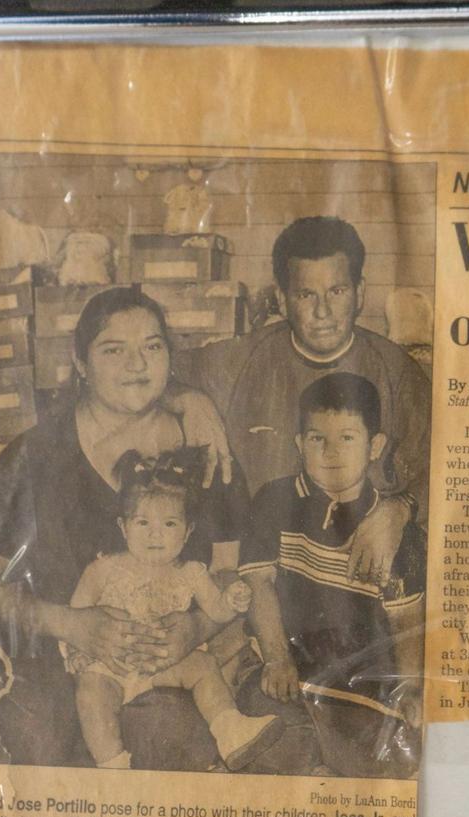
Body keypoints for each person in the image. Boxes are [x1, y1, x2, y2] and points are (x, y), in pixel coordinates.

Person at [0, 287, 247, 769]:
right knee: (38, 740)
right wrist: (71, 624)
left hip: (184, 668)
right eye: (113, 350)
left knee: (178, 737)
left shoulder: (208, 453)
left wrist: (197, 626)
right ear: (80, 363)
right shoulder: (32, 456)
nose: (137, 364)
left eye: (152, 346)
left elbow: (232, 573)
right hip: (61, 672)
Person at [172, 215, 431, 584]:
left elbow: (442, 471)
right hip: (256, 583)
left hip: (360, 583)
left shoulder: (398, 373)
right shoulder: (241, 359)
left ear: (360, 293)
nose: (322, 312)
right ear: (282, 299)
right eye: (306, 294)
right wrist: (186, 398)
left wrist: (399, 509)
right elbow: (152, 368)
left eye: (336, 292)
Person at [240, 374, 425, 779]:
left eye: (346, 438)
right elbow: (259, 585)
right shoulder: (274, 500)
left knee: (377, 755)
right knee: (265, 724)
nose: (329, 451)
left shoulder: (397, 531)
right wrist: (276, 658)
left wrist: (411, 686)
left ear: (375, 446)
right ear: (298, 444)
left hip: (358, 685)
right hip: (287, 671)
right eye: (315, 438)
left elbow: (406, 618)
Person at [65, 449, 283, 771]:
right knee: (90, 693)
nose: (155, 534)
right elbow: (76, 615)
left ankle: (230, 730)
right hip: (110, 664)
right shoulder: (104, 569)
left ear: (188, 530)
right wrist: (76, 650)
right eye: (142, 522)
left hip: (167, 664)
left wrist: (232, 600)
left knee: (204, 663)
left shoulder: (192, 573)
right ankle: (112, 766)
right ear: (123, 527)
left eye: (169, 523)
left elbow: (216, 612)